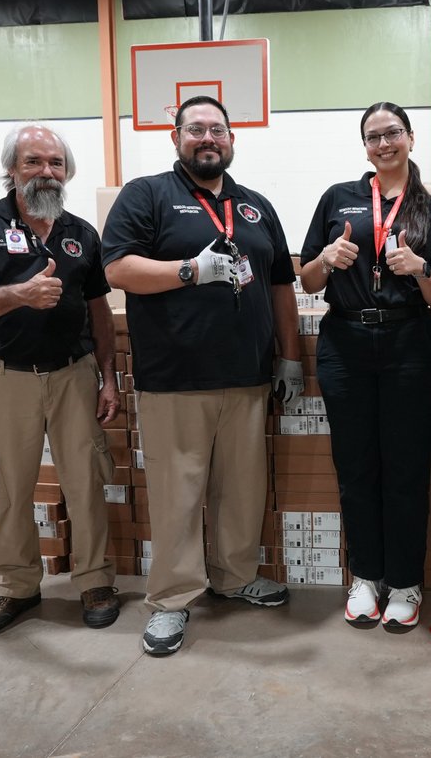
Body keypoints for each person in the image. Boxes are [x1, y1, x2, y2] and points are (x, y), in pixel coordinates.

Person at [101, 95, 302, 656]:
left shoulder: (256, 205)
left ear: (232, 140)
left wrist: (289, 355)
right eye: (196, 129)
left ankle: (235, 577)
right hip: (175, 378)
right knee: (177, 494)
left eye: (218, 129)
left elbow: (281, 284)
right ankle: (170, 599)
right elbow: (118, 267)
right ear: (176, 138)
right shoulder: (147, 195)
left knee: (241, 489)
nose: (208, 138)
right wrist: (191, 271)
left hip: (247, 377)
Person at [0, 123, 121, 637]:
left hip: (74, 374)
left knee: (87, 481)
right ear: (12, 169)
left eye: (55, 163)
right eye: (33, 162)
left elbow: (101, 315)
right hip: (7, 377)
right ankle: (18, 586)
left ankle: (94, 580)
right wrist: (22, 294)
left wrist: (109, 378)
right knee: (7, 484)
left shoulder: (82, 234)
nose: (46, 172)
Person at [298, 102, 431, 628]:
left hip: (409, 341)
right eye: (373, 136)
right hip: (345, 340)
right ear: (364, 146)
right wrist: (325, 259)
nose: (383, 143)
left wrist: (419, 268)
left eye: (392, 133)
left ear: (411, 138)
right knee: (356, 465)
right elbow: (309, 282)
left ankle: (406, 584)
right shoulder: (338, 198)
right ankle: (365, 576)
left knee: (407, 468)